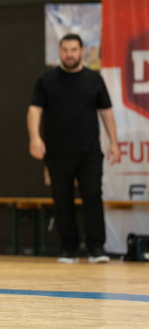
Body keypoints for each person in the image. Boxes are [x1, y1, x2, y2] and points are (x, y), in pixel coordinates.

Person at [27, 33, 120, 264]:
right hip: (57, 152)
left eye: (74, 50)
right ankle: (68, 247)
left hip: (89, 151)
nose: (70, 54)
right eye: (65, 50)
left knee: (92, 196)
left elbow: (106, 112)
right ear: (60, 52)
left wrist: (115, 143)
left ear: (82, 52)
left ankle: (96, 247)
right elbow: (34, 111)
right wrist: (34, 138)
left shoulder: (94, 79)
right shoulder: (46, 80)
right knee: (62, 199)